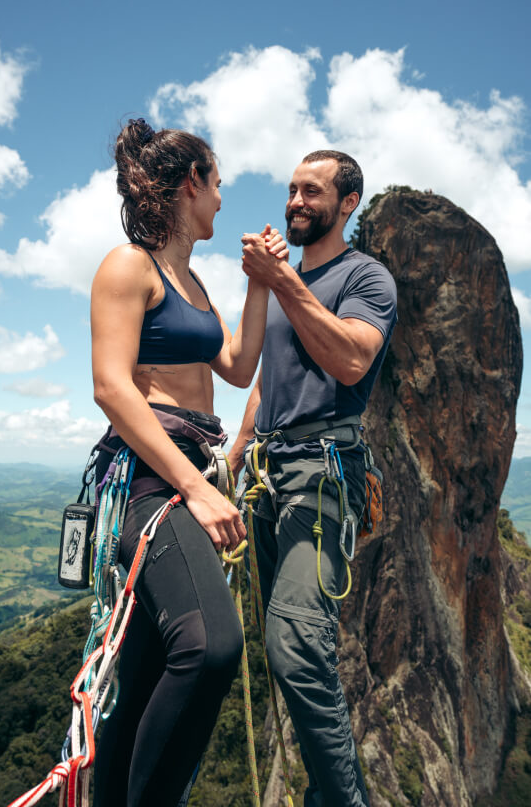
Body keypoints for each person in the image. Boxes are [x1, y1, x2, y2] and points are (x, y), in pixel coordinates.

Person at [90, 117, 286, 807]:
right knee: (211, 646)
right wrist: (195, 493)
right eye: (218, 183)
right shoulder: (128, 267)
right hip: (155, 483)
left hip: (192, 472)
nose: (223, 200)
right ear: (190, 184)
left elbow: (234, 368)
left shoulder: (194, 283)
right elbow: (112, 387)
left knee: (143, 675)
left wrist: (258, 281)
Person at [229, 150, 397, 807]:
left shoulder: (367, 278)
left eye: (313, 191)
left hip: (324, 472)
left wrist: (279, 280)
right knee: (285, 649)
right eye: (292, 190)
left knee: (296, 642)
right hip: (271, 474)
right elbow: (270, 375)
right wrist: (240, 447)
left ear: (348, 202)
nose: (297, 201)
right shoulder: (283, 285)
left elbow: (352, 358)